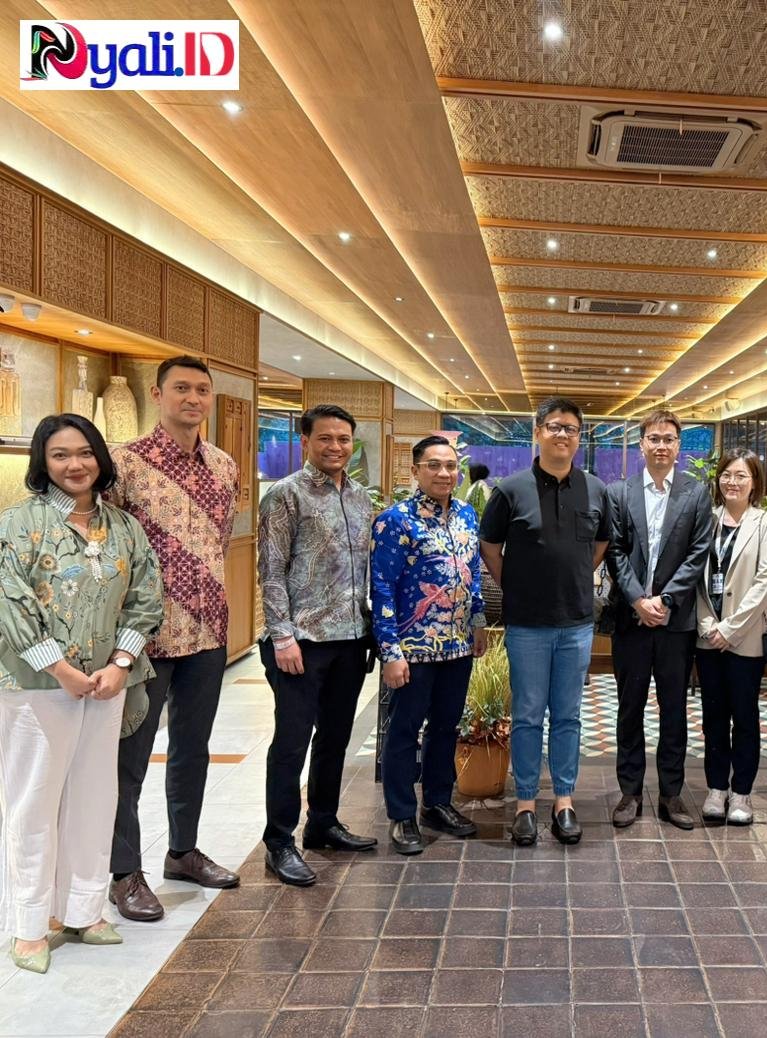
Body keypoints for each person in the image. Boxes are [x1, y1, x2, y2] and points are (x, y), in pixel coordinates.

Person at [0, 415, 162, 972]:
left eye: (85, 452)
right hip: (37, 685)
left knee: (96, 796)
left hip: (107, 685)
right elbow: (10, 602)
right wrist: (61, 668)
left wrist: (121, 663)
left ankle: (85, 910)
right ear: (42, 462)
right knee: (34, 801)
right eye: (60, 455)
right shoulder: (17, 524)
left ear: (100, 458)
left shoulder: (124, 527)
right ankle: (28, 924)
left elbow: (145, 598)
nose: (75, 464)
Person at [109, 356, 242, 922]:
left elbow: (219, 542)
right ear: (158, 394)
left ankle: (182, 852)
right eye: (181, 388)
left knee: (193, 748)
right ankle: (123, 872)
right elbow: (108, 548)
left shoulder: (224, 465)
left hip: (208, 633)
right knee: (129, 757)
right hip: (142, 637)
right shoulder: (124, 464)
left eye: (202, 390)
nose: (193, 398)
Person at [257, 404, 378, 886]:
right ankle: (279, 841)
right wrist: (282, 635)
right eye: (325, 438)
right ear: (306, 441)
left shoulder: (361, 497)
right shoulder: (285, 495)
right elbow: (271, 570)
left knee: (335, 737)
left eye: (343, 439)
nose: (336, 447)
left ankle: (323, 823)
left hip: (349, 639)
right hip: (301, 642)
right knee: (291, 744)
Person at [479, 399, 608, 846]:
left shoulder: (595, 489)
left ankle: (564, 801)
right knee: (528, 715)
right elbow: (490, 548)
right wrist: (516, 586)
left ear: (579, 436)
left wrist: (575, 579)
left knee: (568, 716)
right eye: (554, 426)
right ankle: (526, 804)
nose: (562, 435)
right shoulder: (510, 490)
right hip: (527, 625)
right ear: (537, 432)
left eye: (571, 428)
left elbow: (601, 544)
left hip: (576, 624)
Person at [372, 435, 487, 855]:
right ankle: (401, 813)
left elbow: (473, 572)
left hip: (457, 646)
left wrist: (478, 622)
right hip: (413, 648)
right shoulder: (395, 520)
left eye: (451, 466)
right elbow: (381, 588)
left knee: (445, 727)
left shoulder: (467, 515)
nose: (444, 473)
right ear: (415, 470)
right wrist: (390, 652)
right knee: (404, 730)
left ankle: (437, 803)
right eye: (434, 465)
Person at [606, 410, 713, 831]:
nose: (661, 445)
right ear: (642, 444)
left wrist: (666, 600)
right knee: (629, 707)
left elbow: (698, 552)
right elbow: (615, 551)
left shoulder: (695, 493)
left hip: (675, 622)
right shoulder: (620, 492)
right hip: (631, 620)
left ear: (678, 446)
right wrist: (637, 599)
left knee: (674, 710)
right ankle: (629, 792)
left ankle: (671, 793)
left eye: (669, 438)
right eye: (654, 438)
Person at [694, 449, 767, 826]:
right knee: (713, 717)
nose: (732, 482)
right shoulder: (705, 520)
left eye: (741, 475)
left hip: (744, 640)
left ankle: (742, 792)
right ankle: (716, 788)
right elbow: (693, 576)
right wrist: (707, 625)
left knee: (745, 717)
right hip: (707, 638)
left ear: (754, 482)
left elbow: (764, 582)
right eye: (727, 474)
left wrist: (730, 629)